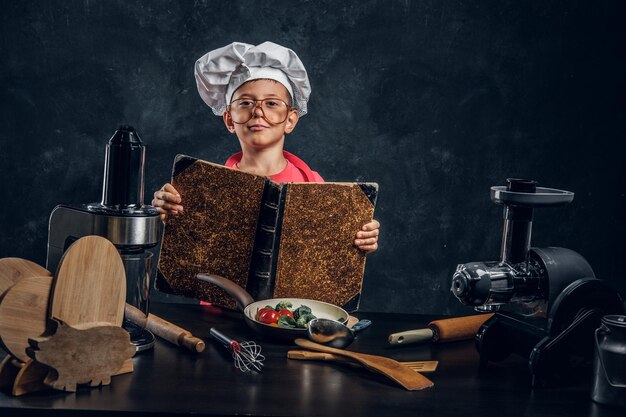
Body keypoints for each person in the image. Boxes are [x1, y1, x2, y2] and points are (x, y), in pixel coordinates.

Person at [152, 41, 379, 253]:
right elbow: (189, 250)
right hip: (222, 297)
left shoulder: (314, 184)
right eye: (246, 103)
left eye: (271, 103)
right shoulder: (201, 187)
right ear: (230, 119)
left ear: (290, 119)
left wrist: (360, 236)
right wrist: (166, 211)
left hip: (290, 297)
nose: (258, 112)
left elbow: (328, 251)